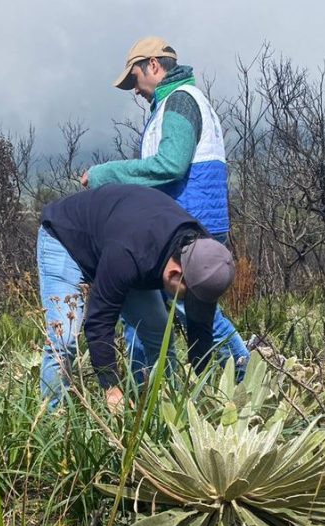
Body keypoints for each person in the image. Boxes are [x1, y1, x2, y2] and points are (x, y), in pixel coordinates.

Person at [80, 36, 249, 379]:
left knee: (193, 309)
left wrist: (105, 174)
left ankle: (244, 377)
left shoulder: (179, 102)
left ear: (153, 66)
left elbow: (171, 165)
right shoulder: (179, 101)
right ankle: (152, 385)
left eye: (134, 78)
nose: (134, 90)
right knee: (176, 308)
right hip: (195, 223)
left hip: (188, 226)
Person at [38, 183, 235, 411]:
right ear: (174, 274)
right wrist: (110, 387)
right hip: (65, 237)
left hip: (120, 240)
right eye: (188, 297)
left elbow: (201, 327)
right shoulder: (129, 254)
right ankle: (52, 416)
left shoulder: (205, 258)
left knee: (159, 334)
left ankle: (165, 408)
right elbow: (99, 320)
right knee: (64, 339)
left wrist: (198, 388)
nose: (190, 304)